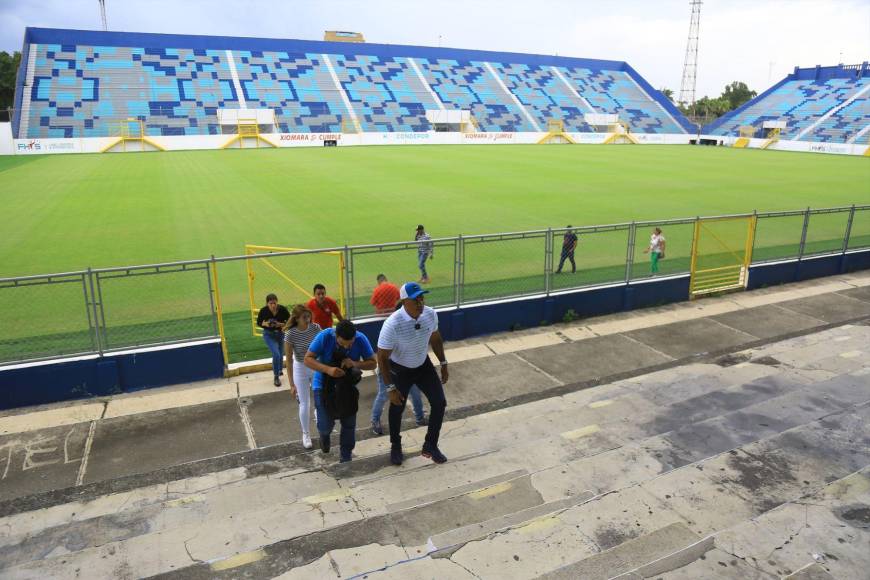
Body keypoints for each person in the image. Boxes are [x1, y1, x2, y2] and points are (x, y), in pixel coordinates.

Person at [377, 282, 449, 466]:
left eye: (422, 297)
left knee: (439, 402)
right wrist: (390, 387)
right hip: (399, 370)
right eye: (415, 299)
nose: (420, 302)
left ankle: (430, 445)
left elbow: (436, 338)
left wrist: (443, 362)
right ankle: (395, 445)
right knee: (397, 407)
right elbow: (382, 358)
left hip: (423, 366)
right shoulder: (392, 324)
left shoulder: (430, 314)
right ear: (404, 302)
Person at [304, 319, 377, 462]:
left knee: (349, 423)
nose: (347, 346)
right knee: (326, 424)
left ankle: (346, 456)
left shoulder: (361, 339)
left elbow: (373, 363)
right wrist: (328, 370)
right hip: (323, 384)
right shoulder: (324, 337)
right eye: (342, 343)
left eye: (350, 343)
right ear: (335, 335)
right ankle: (324, 435)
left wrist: (354, 363)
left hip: (347, 385)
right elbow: (307, 359)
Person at [284, 304, 322, 449]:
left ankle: (320, 421)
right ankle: (306, 433)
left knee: (320, 398)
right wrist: (291, 384)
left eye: (309, 316)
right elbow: (288, 360)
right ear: (297, 318)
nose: (308, 320)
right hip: (300, 367)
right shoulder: (290, 334)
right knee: (304, 404)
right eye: (304, 317)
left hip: (315, 365)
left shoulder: (316, 328)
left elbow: (324, 344)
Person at [257, 293, 290, 387]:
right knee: (276, 354)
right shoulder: (263, 311)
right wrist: (265, 324)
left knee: (280, 354)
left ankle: (279, 370)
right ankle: (276, 376)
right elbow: (259, 322)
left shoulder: (283, 310)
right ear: (267, 304)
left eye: (274, 303)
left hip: (280, 334)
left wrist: (281, 324)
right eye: (271, 303)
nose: (273, 305)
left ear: (277, 302)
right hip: (269, 335)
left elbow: (290, 321)